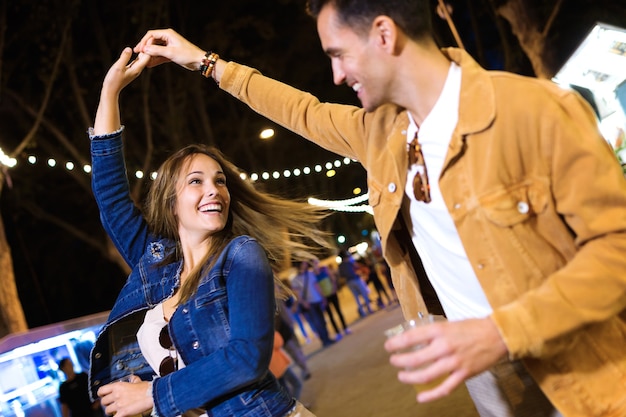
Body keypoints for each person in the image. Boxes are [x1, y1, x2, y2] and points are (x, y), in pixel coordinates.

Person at [132, 0, 626, 414]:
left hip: (580, 358)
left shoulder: (535, 110)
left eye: (340, 54)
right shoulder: (382, 134)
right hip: (488, 376)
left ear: (384, 35)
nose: (337, 74)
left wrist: (500, 333)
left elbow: (618, 250)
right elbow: (298, 110)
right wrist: (204, 62)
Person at [86, 48, 328, 417]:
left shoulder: (241, 255)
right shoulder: (156, 265)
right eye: (196, 182)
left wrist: (153, 395)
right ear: (171, 202)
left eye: (219, 181)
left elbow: (247, 357)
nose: (214, 190)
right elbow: (110, 195)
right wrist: (110, 91)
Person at [291, 261, 335, 347]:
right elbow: (297, 293)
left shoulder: (310, 274)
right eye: (303, 263)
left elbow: (317, 286)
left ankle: (327, 338)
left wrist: (323, 297)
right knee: (317, 322)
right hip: (309, 303)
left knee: (322, 320)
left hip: (317, 299)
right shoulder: (295, 279)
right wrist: (303, 302)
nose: (306, 264)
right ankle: (324, 340)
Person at [312, 258, 351, 337]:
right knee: (330, 315)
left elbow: (332, 278)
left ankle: (345, 328)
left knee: (338, 311)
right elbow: (316, 287)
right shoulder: (313, 275)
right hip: (325, 297)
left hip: (332, 293)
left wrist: (334, 287)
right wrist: (322, 297)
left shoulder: (324, 269)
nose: (315, 264)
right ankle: (337, 332)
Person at [337, 251, 373, 317]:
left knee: (356, 297)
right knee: (364, 294)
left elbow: (341, 275)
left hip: (349, 282)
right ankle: (369, 308)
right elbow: (356, 268)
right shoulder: (350, 262)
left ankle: (363, 312)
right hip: (355, 279)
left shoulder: (340, 266)